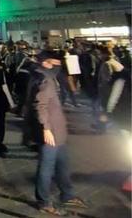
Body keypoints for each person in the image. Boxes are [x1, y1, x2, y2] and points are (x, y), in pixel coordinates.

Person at [27, 50, 88, 215]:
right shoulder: (44, 79)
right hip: (51, 132)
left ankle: (67, 194)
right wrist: (46, 128)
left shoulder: (48, 76)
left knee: (63, 165)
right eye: (55, 63)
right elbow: (40, 106)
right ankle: (44, 201)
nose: (58, 65)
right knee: (46, 168)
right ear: (46, 63)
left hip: (58, 130)